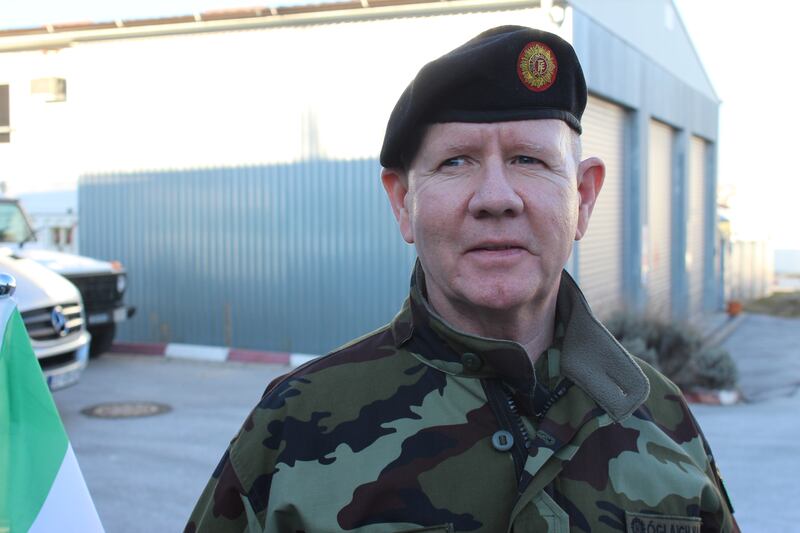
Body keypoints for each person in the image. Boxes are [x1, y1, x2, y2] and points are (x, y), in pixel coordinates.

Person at [186, 26, 738, 532]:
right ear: (404, 203)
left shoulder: (662, 418)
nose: (496, 198)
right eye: (455, 162)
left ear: (584, 197)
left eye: (529, 159)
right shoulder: (294, 427)